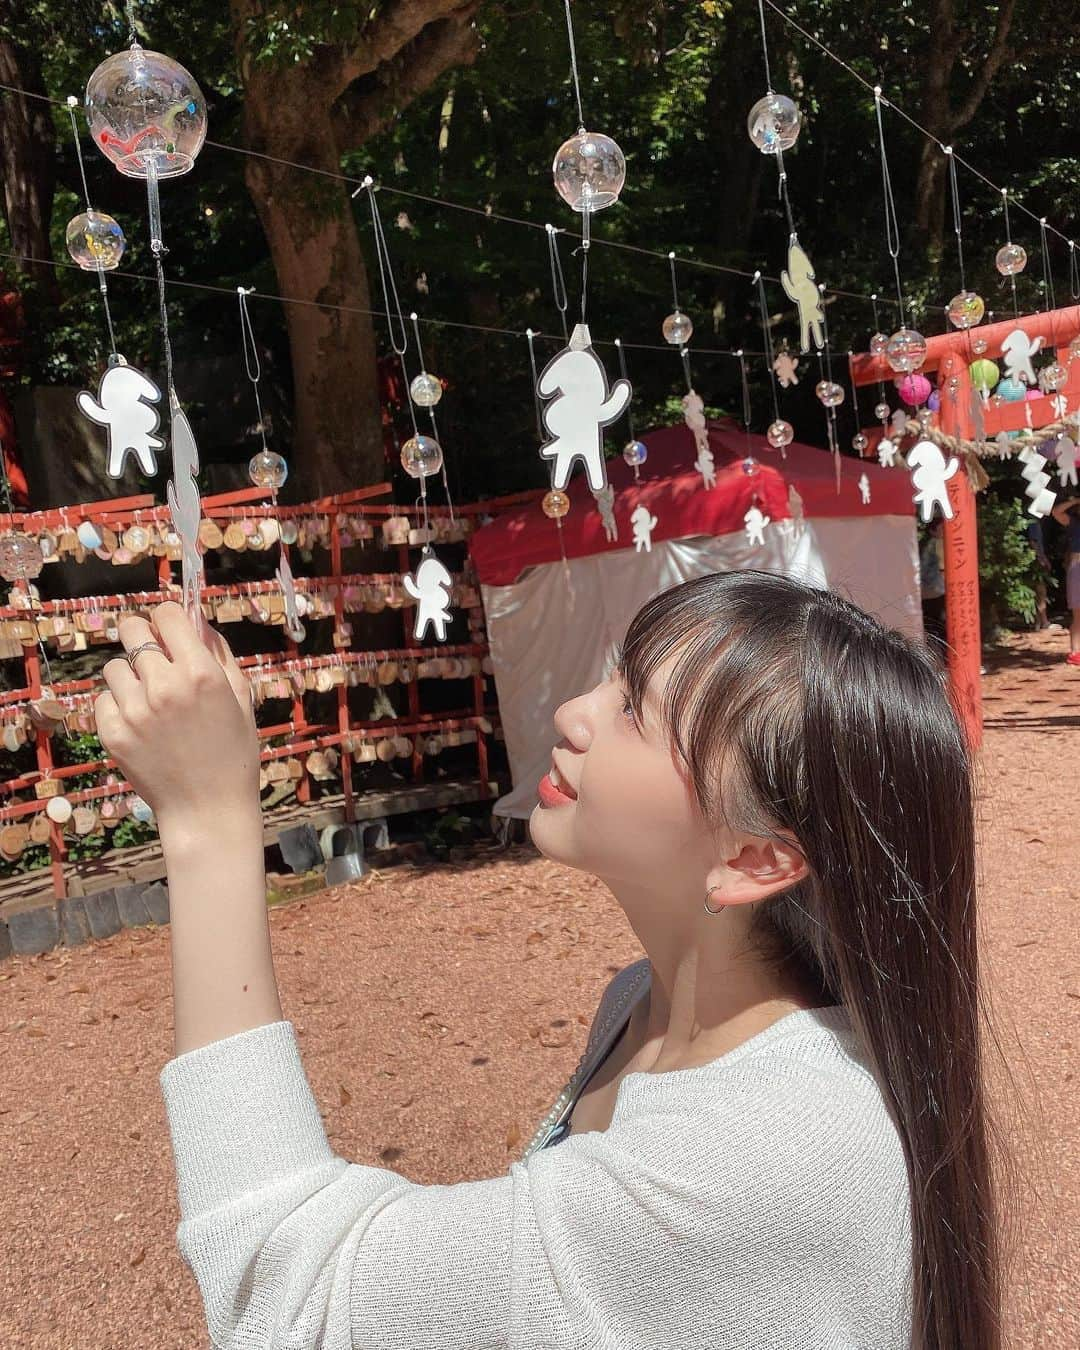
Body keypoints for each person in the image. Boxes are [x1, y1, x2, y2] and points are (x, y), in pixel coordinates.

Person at [93, 581, 1011, 1350]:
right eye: (612, 678)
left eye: (636, 712)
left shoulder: (751, 1160)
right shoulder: (646, 1002)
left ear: (755, 861)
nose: (575, 713)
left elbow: (289, 1296)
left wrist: (208, 819)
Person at [1050, 494, 1080, 663]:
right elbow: (1056, 512)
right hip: (1078, 567)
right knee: (1078, 613)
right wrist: (1075, 501)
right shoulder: (1074, 523)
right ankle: (1075, 651)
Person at [918, 516, 947, 660]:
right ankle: (943, 658)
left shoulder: (924, 544)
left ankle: (934, 659)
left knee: (931, 626)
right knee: (939, 626)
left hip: (925, 592)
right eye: (942, 528)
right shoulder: (938, 544)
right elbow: (943, 569)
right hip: (936, 590)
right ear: (933, 530)